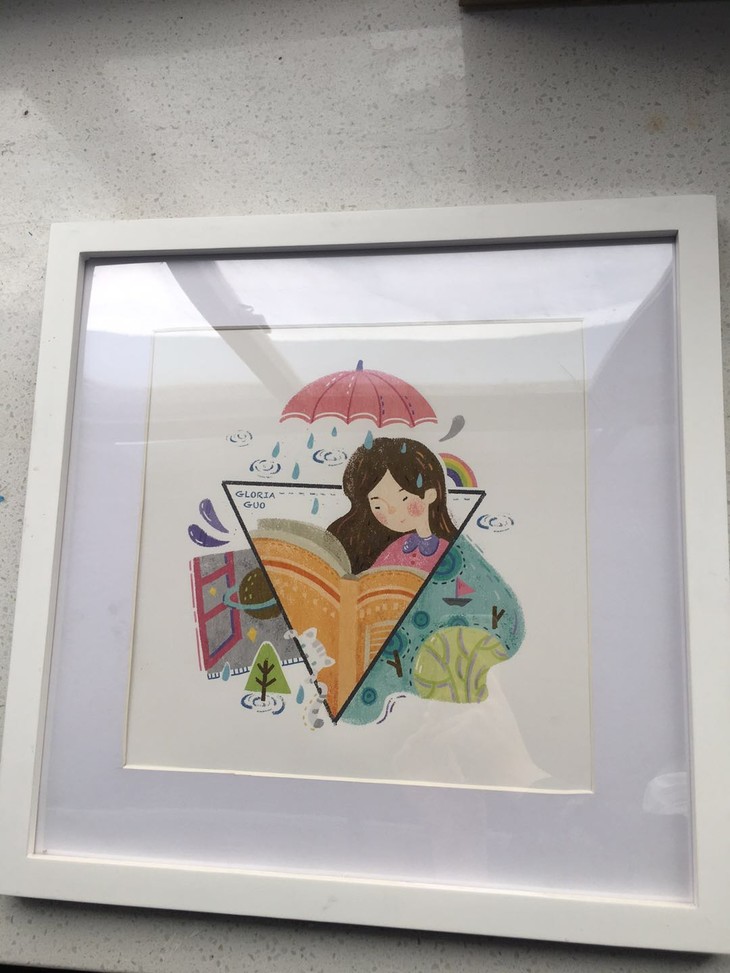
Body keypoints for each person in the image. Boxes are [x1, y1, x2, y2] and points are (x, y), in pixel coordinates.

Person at [327, 437, 457, 575]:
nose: (391, 511)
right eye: (378, 506)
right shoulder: (398, 546)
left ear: (430, 495)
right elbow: (374, 576)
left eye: (404, 498)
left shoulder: (451, 551)